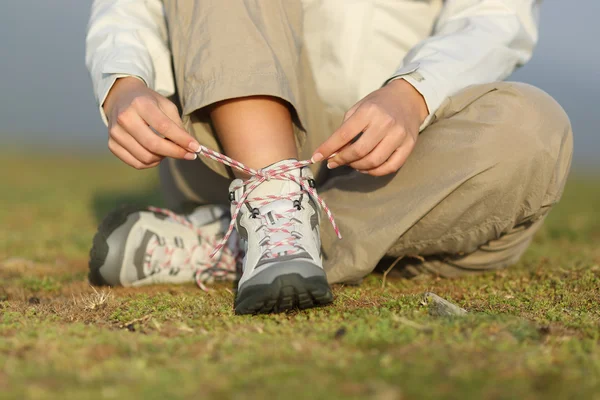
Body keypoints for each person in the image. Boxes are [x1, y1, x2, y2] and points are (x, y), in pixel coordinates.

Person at [85, 0, 573, 315]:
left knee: (533, 130)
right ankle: (272, 201)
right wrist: (124, 81)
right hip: (236, 134)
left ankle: (240, 239)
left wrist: (413, 94)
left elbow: (495, 20)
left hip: (405, 155)